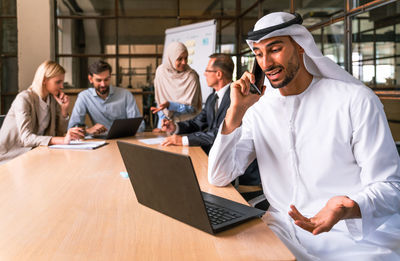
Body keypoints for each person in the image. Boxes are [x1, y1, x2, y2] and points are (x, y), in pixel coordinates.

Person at [208, 12, 400, 260]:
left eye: (275, 49)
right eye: (258, 54)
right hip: (282, 232)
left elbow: (390, 187)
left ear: (300, 45)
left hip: (352, 239)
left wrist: (347, 207)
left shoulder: (355, 100)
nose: (266, 63)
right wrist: (235, 113)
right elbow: (219, 175)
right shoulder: (259, 109)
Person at [162, 53, 261, 187]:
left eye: (207, 71)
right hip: (213, 163)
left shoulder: (237, 98)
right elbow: (198, 122)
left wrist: (183, 140)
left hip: (234, 172)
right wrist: (175, 127)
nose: (204, 74)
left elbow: (218, 134)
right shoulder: (212, 98)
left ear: (218, 74)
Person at [0, 61, 84, 164]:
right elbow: (26, 139)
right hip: (13, 157)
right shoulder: (24, 98)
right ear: (44, 80)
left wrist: (64, 110)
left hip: (36, 153)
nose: (62, 86)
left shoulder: (52, 100)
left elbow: (59, 133)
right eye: (58, 82)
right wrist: (62, 140)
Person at [68, 60, 144, 134]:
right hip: (98, 142)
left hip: (123, 140)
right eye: (98, 80)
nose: (103, 84)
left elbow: (140, 126)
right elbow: (73, 128)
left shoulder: (126, 95)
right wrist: (88, 131)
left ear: (110, 77)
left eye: (106, 79)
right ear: (90, 79)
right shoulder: (84, 97)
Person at [151, 42, 202, 130]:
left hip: (186, 125)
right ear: (171, 58)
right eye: (179, 59)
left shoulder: (191, 77)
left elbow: (192, 108)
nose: (184, 62)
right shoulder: (161, 72)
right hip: (165, 124)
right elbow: (160, 102)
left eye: (186, 58)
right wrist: (162, 123)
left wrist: (171, 105)